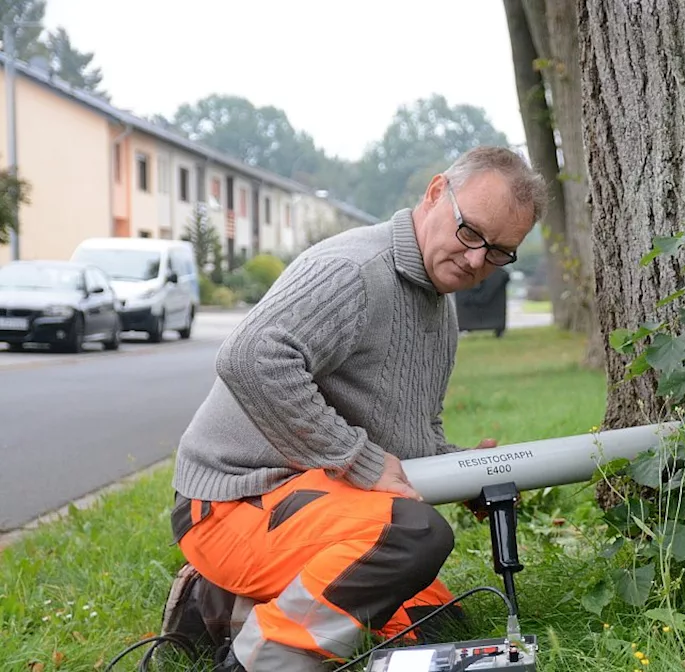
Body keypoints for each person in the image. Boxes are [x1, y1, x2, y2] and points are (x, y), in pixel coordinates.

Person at [164, 146, 546, 671]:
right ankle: (264, 660)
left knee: (432, 619)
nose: (478, 259)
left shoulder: (438, 306)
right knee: (414, 537)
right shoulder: (354, 269)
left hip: (312, 496)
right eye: (471, 232)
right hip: (234, 502)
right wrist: (360, 459)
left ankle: (214, 607)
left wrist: (463, 470)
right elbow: (250, 358)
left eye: (500, 250)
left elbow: (409, 436)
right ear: (437, 194)